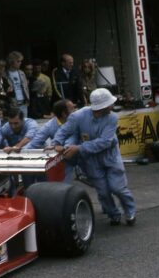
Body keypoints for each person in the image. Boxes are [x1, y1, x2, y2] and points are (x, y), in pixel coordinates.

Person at [53, 89, 137, 225]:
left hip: (110, 156)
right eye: (109, 104)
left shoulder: (112, 118)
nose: (112, 107)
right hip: (91, 160)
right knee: (103, 191)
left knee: (118, 188)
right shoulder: (78, 116)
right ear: (101, 107)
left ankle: (130, 211)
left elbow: (105, 142)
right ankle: (113, 214)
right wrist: (55, 143)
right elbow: (64, 130)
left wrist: (78, 148)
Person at [27, 99, 77, 182]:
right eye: (72, 109)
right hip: (65, 158)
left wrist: (64, 147)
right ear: (64, 114)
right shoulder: (49, 126)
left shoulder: (78, 120)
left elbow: (74, 138)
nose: (75, 111)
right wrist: (21, 153)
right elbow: (35, 143)